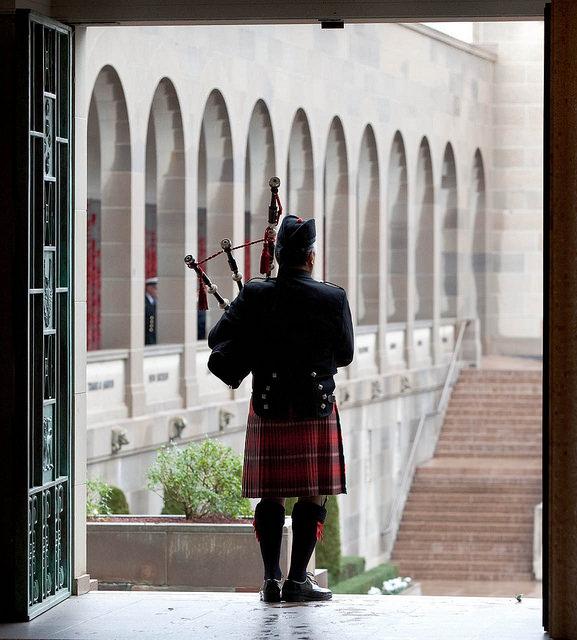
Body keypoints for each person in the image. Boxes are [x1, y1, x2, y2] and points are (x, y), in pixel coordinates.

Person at [208, 214, 354, 603]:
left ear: (278, 255)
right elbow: (345, 355)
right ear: (310, 257)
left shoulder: (256, 294)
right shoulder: (333, 297)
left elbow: (217, 338)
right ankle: (297, 579)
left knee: (269, 494)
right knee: (312, 493)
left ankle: (271, 579)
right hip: (314, 406)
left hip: (269, 403)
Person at [145, 276, 158, 345]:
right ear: (149, 288)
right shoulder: (144, 302)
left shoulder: (155, 302)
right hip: (147, 339)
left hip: (154, 338)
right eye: (156, 288)